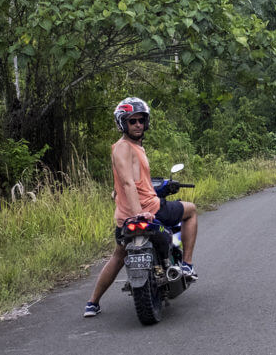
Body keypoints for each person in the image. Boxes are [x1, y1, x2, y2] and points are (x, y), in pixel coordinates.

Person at [84, 97, 198, 318]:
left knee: (118, 256)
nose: (137, 124)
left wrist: (118, 195)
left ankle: (92, 303)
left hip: (124, 217)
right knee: (191, 210)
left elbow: (124, 183)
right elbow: (128, 183)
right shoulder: (124, 147)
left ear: (146, 123)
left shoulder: (125, 148)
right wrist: (139, 214)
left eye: (140, 120)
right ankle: (187, 265)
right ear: (122, 123)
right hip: (149, 209)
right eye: (132, 121)